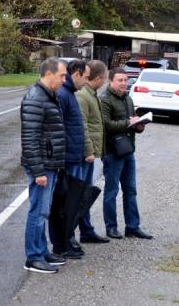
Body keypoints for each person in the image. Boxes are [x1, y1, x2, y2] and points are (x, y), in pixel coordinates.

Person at [20, 58, 69, 273]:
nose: (64, 80)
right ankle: (33, 258)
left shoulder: (48, 95)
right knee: (38, 212)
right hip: (42, 166)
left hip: (50, 164)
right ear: (49, 74)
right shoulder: (35, 98)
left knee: (44, 211)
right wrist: (38, 171)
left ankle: (41, 250)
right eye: (62, 75)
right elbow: (30, 139)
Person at [100, 67, 153, 240]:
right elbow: (106, 125)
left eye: (126, 80)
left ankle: (132, 227)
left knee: (131, 190)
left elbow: (131, 121)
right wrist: (128, 122)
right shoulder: (104, 99)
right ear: (111, 81)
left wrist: (139, 125)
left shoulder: (128, 98)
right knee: (111, 191)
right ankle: (111, 227)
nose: (124, 83)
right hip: (112, 152)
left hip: (128, 150)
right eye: (120, 80)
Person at [48, 59, 90, 259]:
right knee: (64, 204)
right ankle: (62, 243)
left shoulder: (70, 93)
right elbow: (59, 129)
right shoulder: (64, 95)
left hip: (74, 157)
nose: (87, 81)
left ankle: (67, 239)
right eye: (86, 77)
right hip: (67, 159)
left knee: (72, 203)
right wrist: (62, 158)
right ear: (76, 74)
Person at [76, 59, 109, 244]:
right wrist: (89, 150)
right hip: (84, 156)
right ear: (98, 78)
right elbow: (83, 126)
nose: (104, 81)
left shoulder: (92, 94)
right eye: (104, 78)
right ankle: (71, 234)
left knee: (86, 193)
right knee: (80, 194)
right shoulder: (83, 96)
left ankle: (86, 230)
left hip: (90, 154)